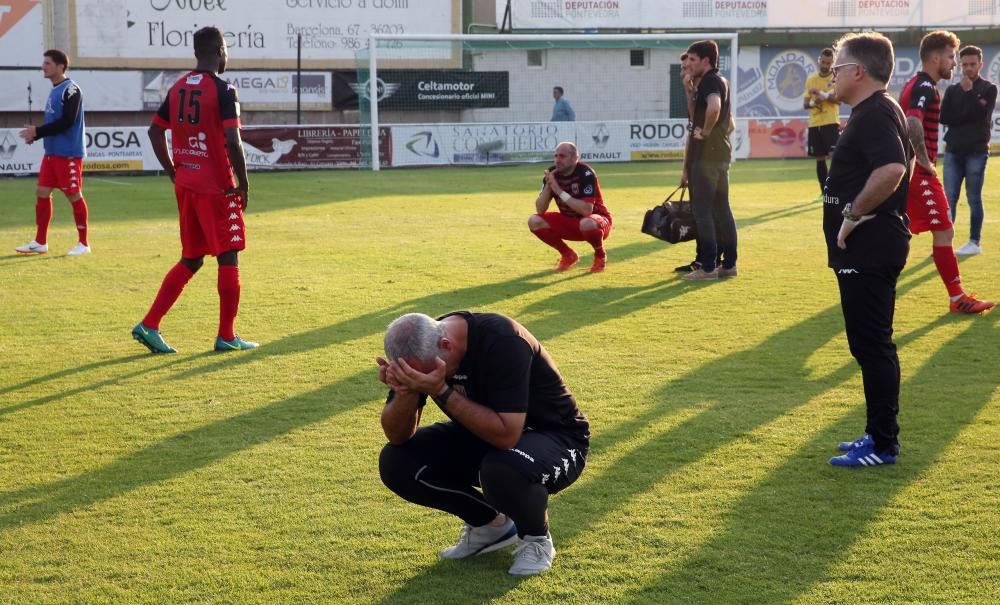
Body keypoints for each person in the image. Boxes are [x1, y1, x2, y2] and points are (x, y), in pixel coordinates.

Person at [377, 312, 589, 576]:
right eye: (412, 374)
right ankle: (490, 526)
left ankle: (536, 540)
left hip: (558, 438)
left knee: (501, 468)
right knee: (397, 462)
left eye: (426, 372)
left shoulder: (503, 340)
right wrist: (406, 390)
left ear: (446, 345)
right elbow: (397, 436)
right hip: (486, 435)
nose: (423, 377)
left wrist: (440, 390)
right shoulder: (423, 351)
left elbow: (506, 435)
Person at [131, 26, 257, 354]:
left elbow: (154, 132)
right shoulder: (225, 90)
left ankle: (150, 324)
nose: (227, 54)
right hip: (216, 187)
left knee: (191, 258)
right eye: (226, 48)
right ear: (219, 51)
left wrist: (174, 171)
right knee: (228, 254)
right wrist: (243, 183)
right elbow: (233, 140)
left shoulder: (178, 88)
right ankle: (227, 336)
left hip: (187, 184)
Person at [823, 32, 912, 467]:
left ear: (858, 71)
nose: (832, 75)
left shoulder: (875, 112)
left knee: (873, 345)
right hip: (869, 246)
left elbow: (893, 168)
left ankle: (883, 443)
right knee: (868, 345)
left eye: (837, 67)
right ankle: (876, 434)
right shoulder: (875, 110)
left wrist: (854, 215)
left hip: (870, 246)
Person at [899, 31, 994, 314]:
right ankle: (957, 298)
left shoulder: (917, 83)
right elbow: (914, 124)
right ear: (935, 56)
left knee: (901, 230)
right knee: (944, 230)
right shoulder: (925, 87)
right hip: (918, 173)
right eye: (952, 57)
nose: (954, 63)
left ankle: (870, 282)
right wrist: (925, 162)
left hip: (908, 171)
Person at [15, 49, 90, 257]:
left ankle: (83, 243)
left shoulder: (71, 90)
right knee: (42, 192)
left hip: (68, 154)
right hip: (52, 153)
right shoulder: (55, 90)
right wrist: (36, 136)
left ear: (60, 66)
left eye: (47, 63)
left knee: (74, 195)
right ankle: (40, 241)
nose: (43, 66)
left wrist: (37, 131)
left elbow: (68, 121)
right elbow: (54, 123)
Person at [680, 40, 738, 280]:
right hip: (719, 156)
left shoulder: (711, 81)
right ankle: (728, 265)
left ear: (706, 61)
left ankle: (707, 267)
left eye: (692, 60)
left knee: (702, 212)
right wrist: (688, 90)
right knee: (722, 210)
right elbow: (725, 122)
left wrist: (705, 132)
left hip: (706, 158)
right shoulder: (719, 81)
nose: (688, 65)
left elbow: (713, 108)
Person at [940, 44, 997, 256]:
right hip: (954, 150)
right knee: (949, 198)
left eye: (972, 64)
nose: (968, 69)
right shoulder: (953, 90)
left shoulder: (989, 89)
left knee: (973, 197)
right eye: (964, 65)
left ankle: (974, 242)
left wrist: (971, 93)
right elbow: (944, 118)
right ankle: (944, 243)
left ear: (980, 65)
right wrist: (968, 112)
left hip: (976, 150)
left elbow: (982, 115)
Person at [529, 142, 613, 273]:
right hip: (570, 221)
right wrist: (549, 185)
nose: (557, 160)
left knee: (587, 223)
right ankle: (568, 255)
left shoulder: (586, 173)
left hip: (597, 222)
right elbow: (540, 209)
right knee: (534, 221)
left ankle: (600, 256)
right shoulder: (552, 174)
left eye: (562, 156)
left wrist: (558, 190)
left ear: (575, 158)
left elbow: (586, 210)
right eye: (556, 156)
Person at [803, 48, 841, 199]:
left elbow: (838, 100)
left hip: (830, 122)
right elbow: (806, 104)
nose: (826, 65)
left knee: (834, 156)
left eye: (829, 63)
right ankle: (824, 191)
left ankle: (835, 188)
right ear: (819, 60)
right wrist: (814, 102)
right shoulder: (811, 79)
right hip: (814, 123)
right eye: (823, 62)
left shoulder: (836, 78)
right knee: (819, 158)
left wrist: (822, 95)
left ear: (833, 63)